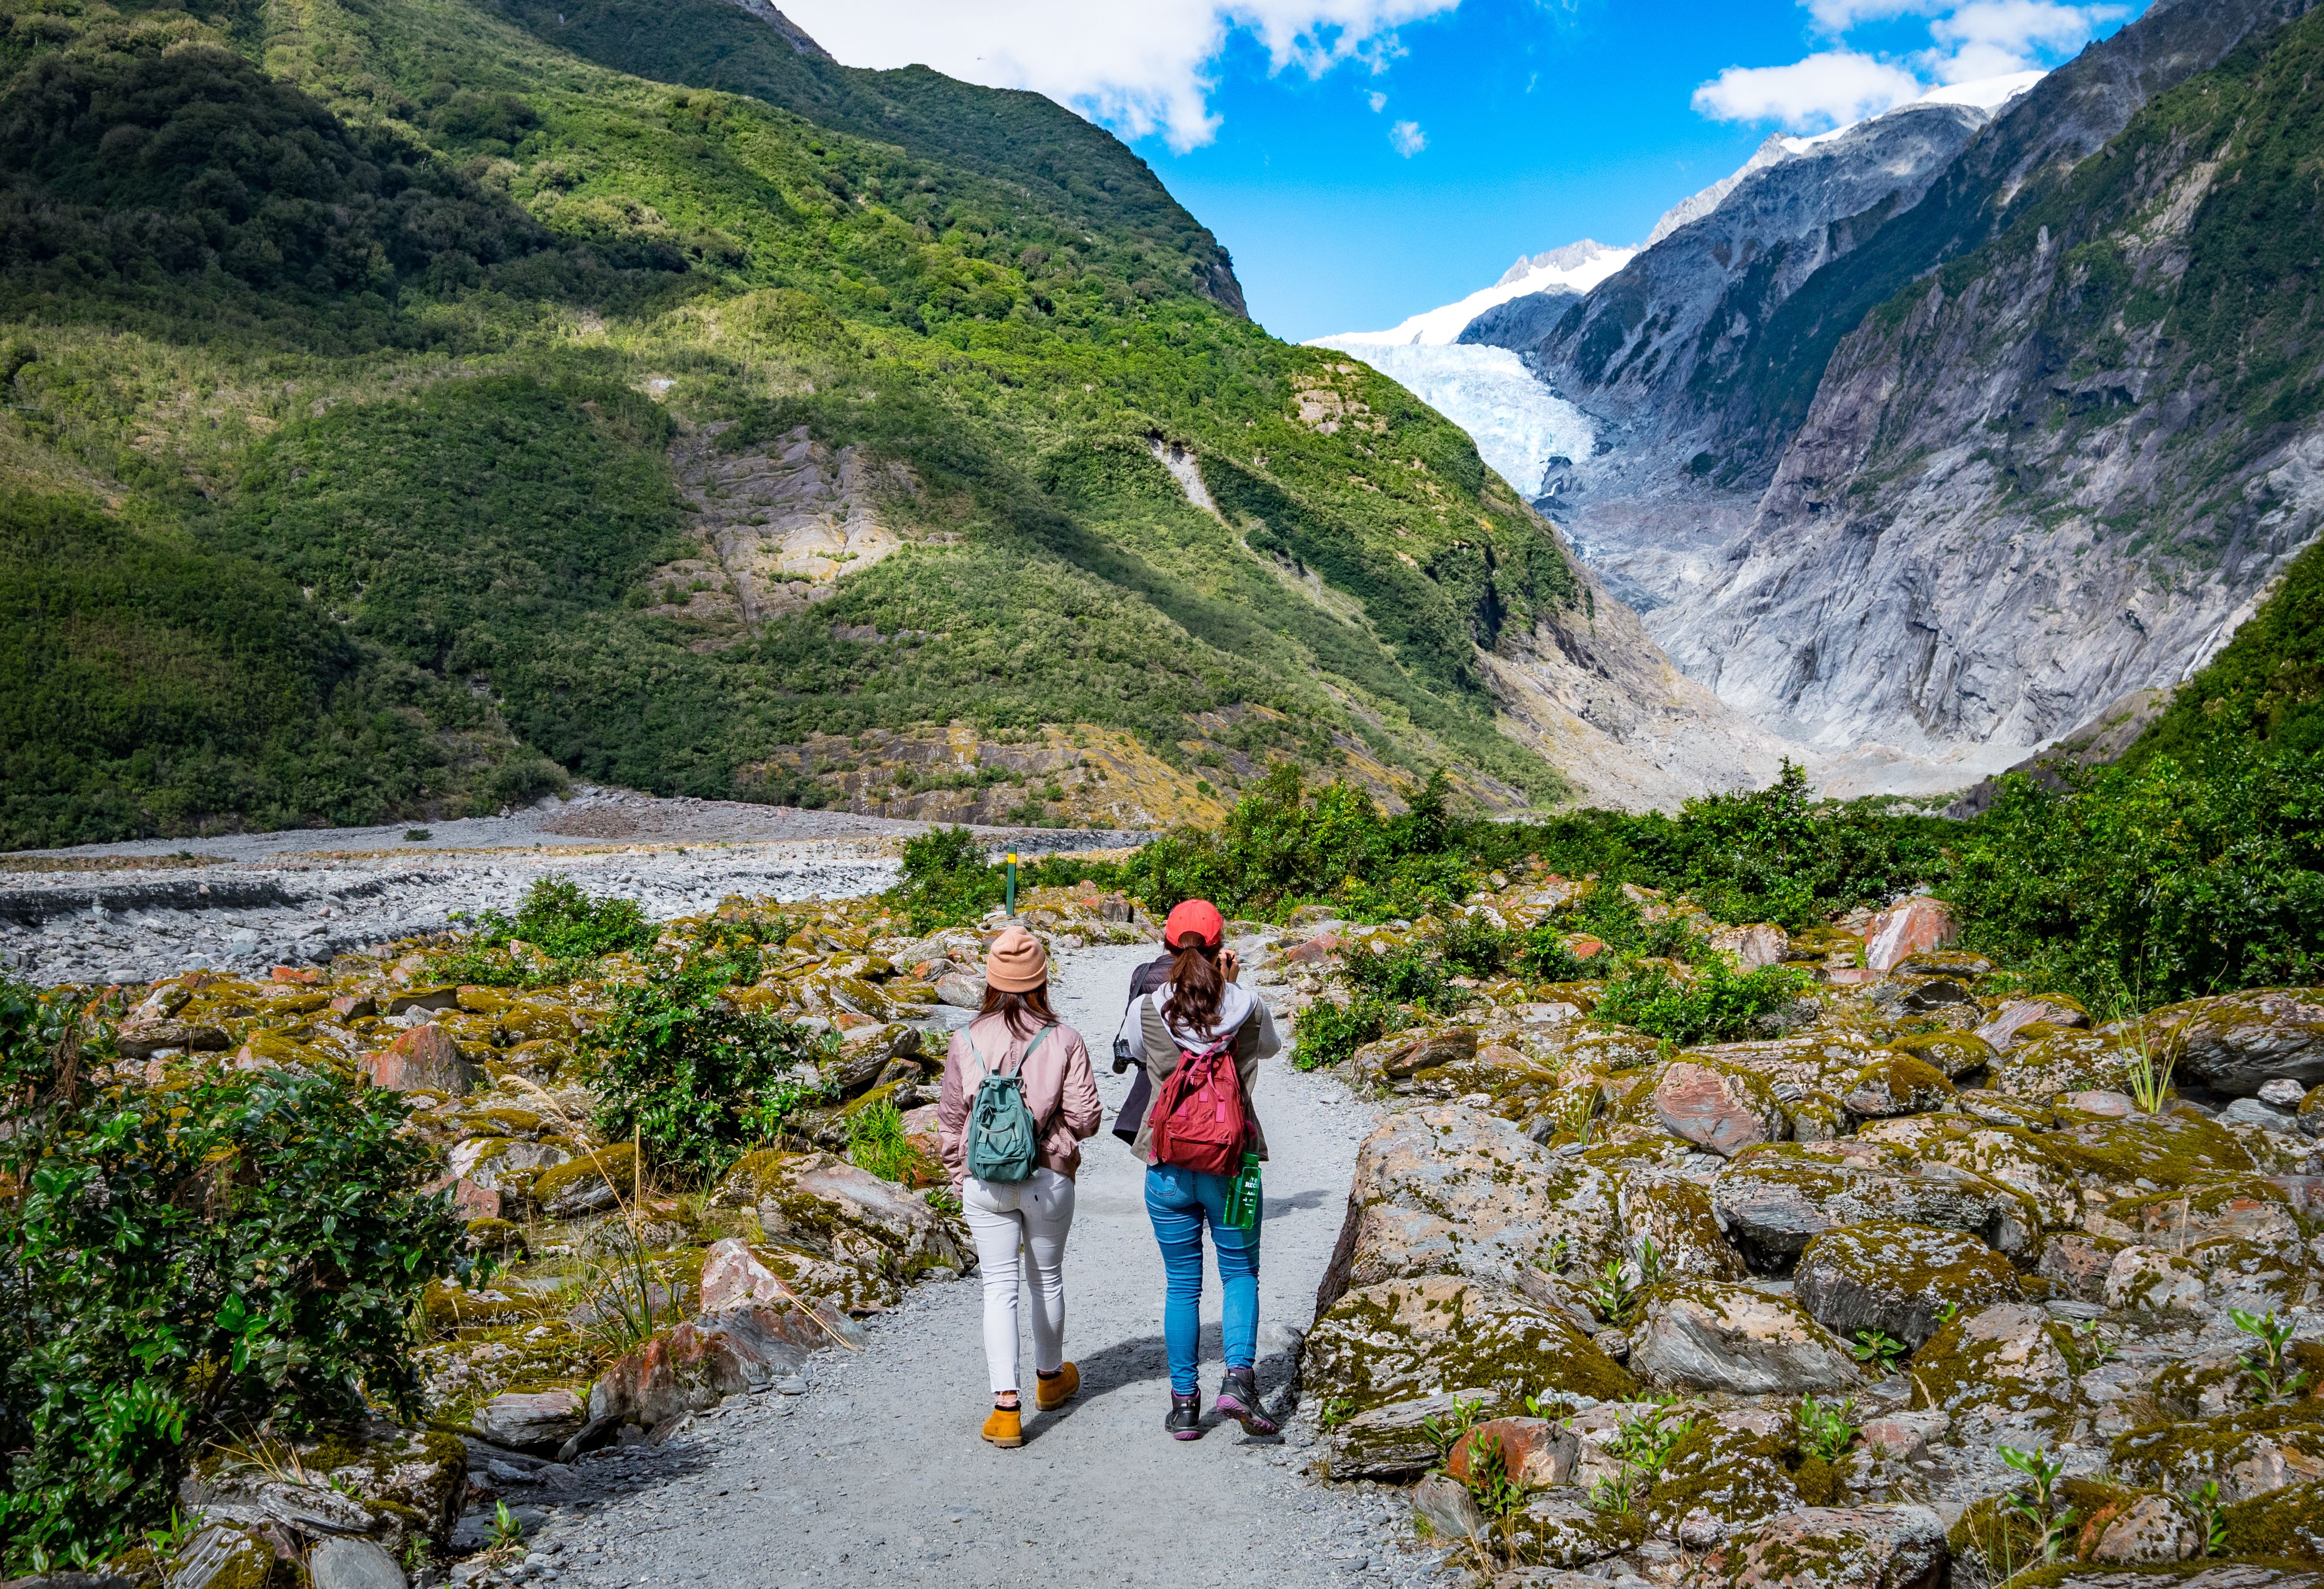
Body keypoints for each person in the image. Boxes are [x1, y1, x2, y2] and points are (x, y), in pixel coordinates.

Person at [1115, 898, 1279, 1440]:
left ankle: (1185, 1405)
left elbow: (1138, 1056)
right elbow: (1272, 1051)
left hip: (1167, 1160)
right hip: (1235, 1163)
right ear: (1220, 946)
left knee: (1182, 1284)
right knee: (1240, 1273)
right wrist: (1233, 986)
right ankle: (1238, 1379)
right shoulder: (1248, 1005)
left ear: (1167, 945)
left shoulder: (1148, 1006)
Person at [936, 925, 1103, 1448]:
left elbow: (949, 1117)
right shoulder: (1064, 1038)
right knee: (1046, 1280)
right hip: (1048, 1177)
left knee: (998, 1289)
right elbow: (1086, 1116)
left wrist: (959, 1172)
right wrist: (1055, 1133)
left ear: (989, 980)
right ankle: (1050, 1382)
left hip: (984, 1181)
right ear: (1042, 979)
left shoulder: (964, 1039)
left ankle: (1006, 1410)